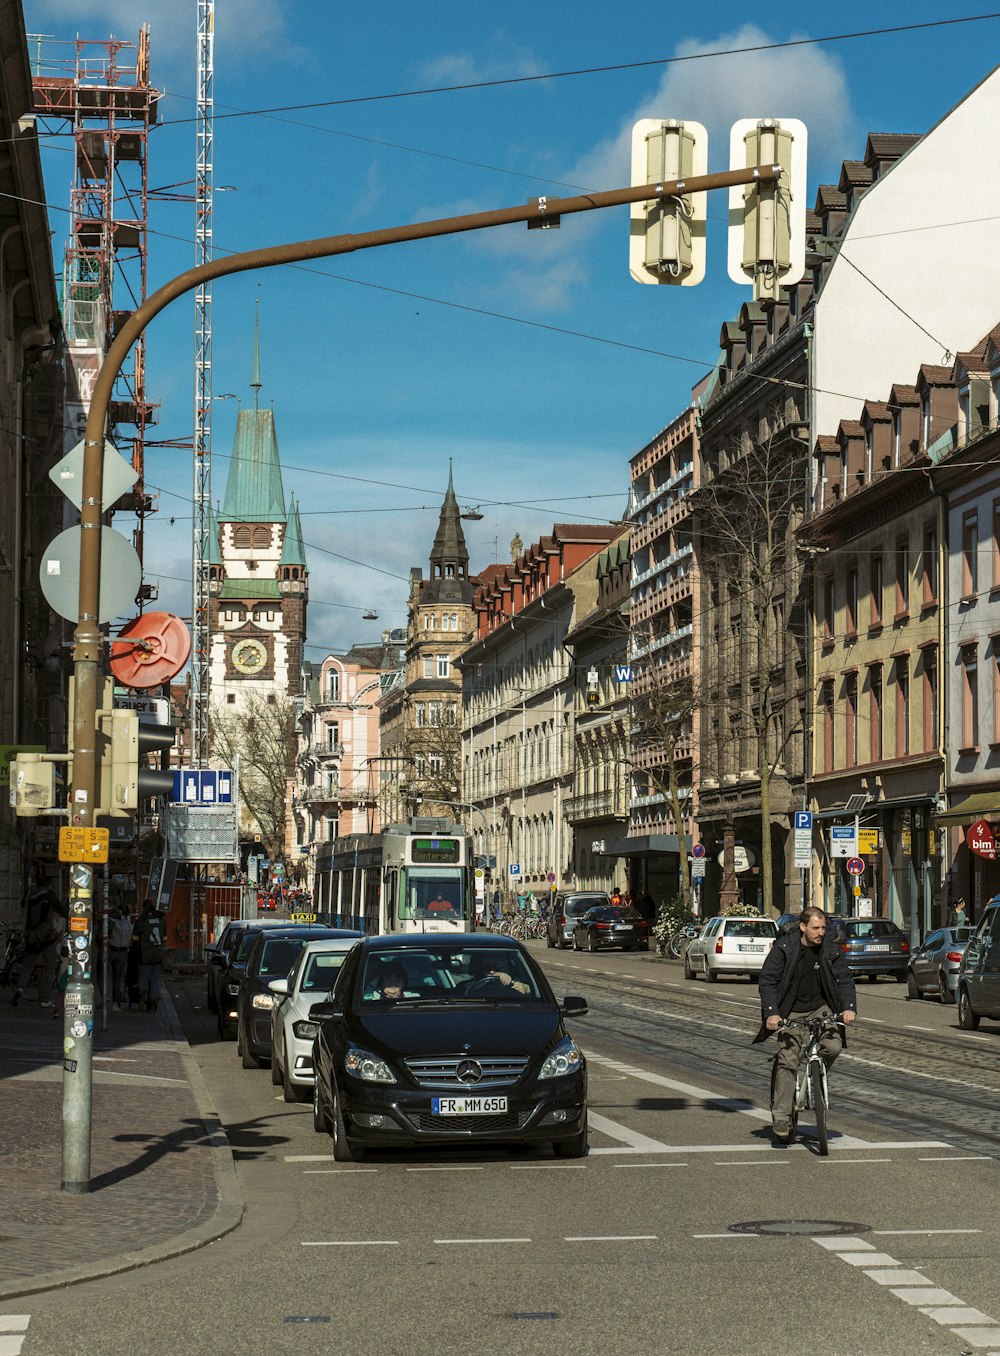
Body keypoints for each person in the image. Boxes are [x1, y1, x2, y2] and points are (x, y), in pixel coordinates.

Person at [753, 906, 857, 1142]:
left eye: (823, 927)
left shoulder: (830, 948)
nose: (821, 932)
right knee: (788, 1061)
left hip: (821, 1008)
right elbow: (768, 980)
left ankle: (815, 1082)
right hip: (791, 1010)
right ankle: (781, 1116)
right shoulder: (785, 948)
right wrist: (772, 1014)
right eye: (816, 928)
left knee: (833, 1046)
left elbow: (844, 979)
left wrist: (848, 1008)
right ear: (803, 927)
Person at [12, 880, 64, 1009]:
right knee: (51, 966)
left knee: (27, 966)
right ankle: (45, 999)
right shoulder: (50, 896)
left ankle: (20, 988)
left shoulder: (30, 896)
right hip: (46, 937)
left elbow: (22, 905)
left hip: (31, 936)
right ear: (49, 885)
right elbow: (64, 911)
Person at [134, 898, 165, 1012]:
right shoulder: (161, 920)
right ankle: (153, 1001)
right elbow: (164, 938)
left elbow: (135, 938)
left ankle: (143, 996)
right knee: (155, 980)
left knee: (143, 978)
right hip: (157, 954)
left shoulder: (141, 921)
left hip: (145, 955)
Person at [107, 898, 133, 1011]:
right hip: (114, 950)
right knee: (116, 978)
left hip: (119, 950)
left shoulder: (125, 921)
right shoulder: (122, 922)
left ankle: (115, 1002)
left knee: (117, 978)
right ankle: (111, 1001)